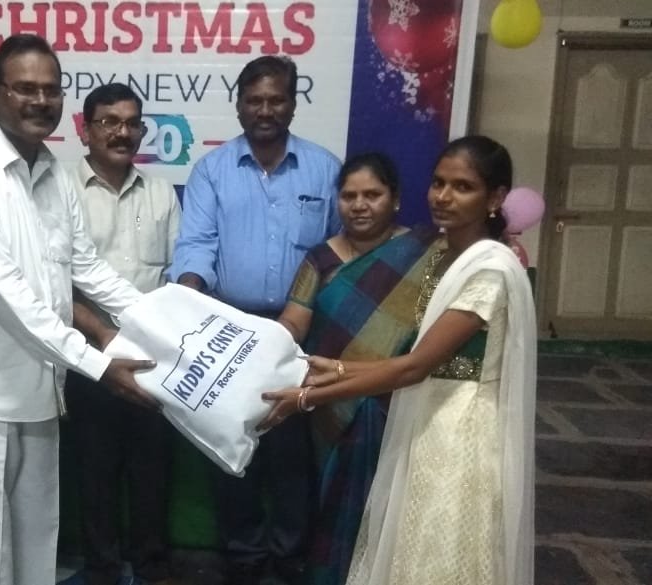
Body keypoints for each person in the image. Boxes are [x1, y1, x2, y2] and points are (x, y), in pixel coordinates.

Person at [0, 35, 157, 585]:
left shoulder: (54, 172)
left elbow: (88, 269)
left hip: (41, 390)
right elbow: (11, 298)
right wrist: (100, 364)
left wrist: (162, 321)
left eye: (51, 90)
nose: (40, 101)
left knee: (36, 543)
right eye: (25, 88)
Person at [259, 136, 537, 585]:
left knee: (442, 550)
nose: (443, 196)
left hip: (458, 430)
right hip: (419, 417)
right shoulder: (443, 257)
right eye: (438, 183)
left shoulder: (489, 270)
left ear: (495, 198)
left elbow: (414, 365)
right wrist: (339, 369)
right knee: (406, 548)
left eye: (462, 187)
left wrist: (309, 396)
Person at [168, 55, 341, 584]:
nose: (265, 110)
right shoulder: (212, 171)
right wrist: (186, 306)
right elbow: (197, 245)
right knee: (232, 450)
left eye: (276, 99)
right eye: (254, 100)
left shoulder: (324, 169)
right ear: (239, 105)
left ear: (293, 103)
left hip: (300, 332)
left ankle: (289, 559)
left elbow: (341, 249)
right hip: (230, 330)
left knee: (291, 453)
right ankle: (243, 557)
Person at [274, 153, 439, 585]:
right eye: (349, 196)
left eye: (372, 195)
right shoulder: (320, 259)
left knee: (389, 501)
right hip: (328, 403)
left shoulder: (427, 253)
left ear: (395, 199)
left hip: (397, 401)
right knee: (332, 498)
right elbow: (295, 320)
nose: (359, 205)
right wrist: (265, 340)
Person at [59, 83, 183, 585]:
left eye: (132, 123)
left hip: (154, 360)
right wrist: (102, 335)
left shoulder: (161, 193)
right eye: (109, 121)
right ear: (85, 129)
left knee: (153, 470)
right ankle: (103, 569)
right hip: (87, 356)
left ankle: (151, 565)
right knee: (95, 472)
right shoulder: (60, 191)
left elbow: (175, 276)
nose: (121, 132)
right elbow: (54, 285)